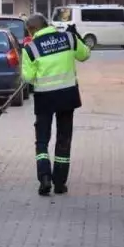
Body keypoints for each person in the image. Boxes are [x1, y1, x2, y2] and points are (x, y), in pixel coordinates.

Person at [20, 13, 91, 195]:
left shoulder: (30, 49)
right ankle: (59, 182)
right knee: (63, 139)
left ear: (32, 29)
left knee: (42, 140)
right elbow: (85, 55)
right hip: (67, 96)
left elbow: (28, 77)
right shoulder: (68, 38)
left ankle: (44, 177)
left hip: (44, 98)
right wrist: (78, 37)